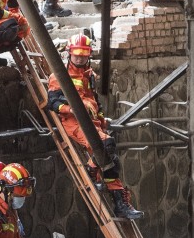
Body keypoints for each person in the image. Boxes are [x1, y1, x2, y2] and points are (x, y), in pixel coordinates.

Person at [46, 34, 143, 220]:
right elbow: (53, 103)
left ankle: (120, 203)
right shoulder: (59, 76)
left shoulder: (89, 75)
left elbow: (94, 102)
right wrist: (72, 109)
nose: (80, 58)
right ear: (69, 53)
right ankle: (92, 169)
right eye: (77, 54)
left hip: (92, 124)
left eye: (84, 54)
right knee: (106, 147)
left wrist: (101, 120)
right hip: (74, 123)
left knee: (111, 161)